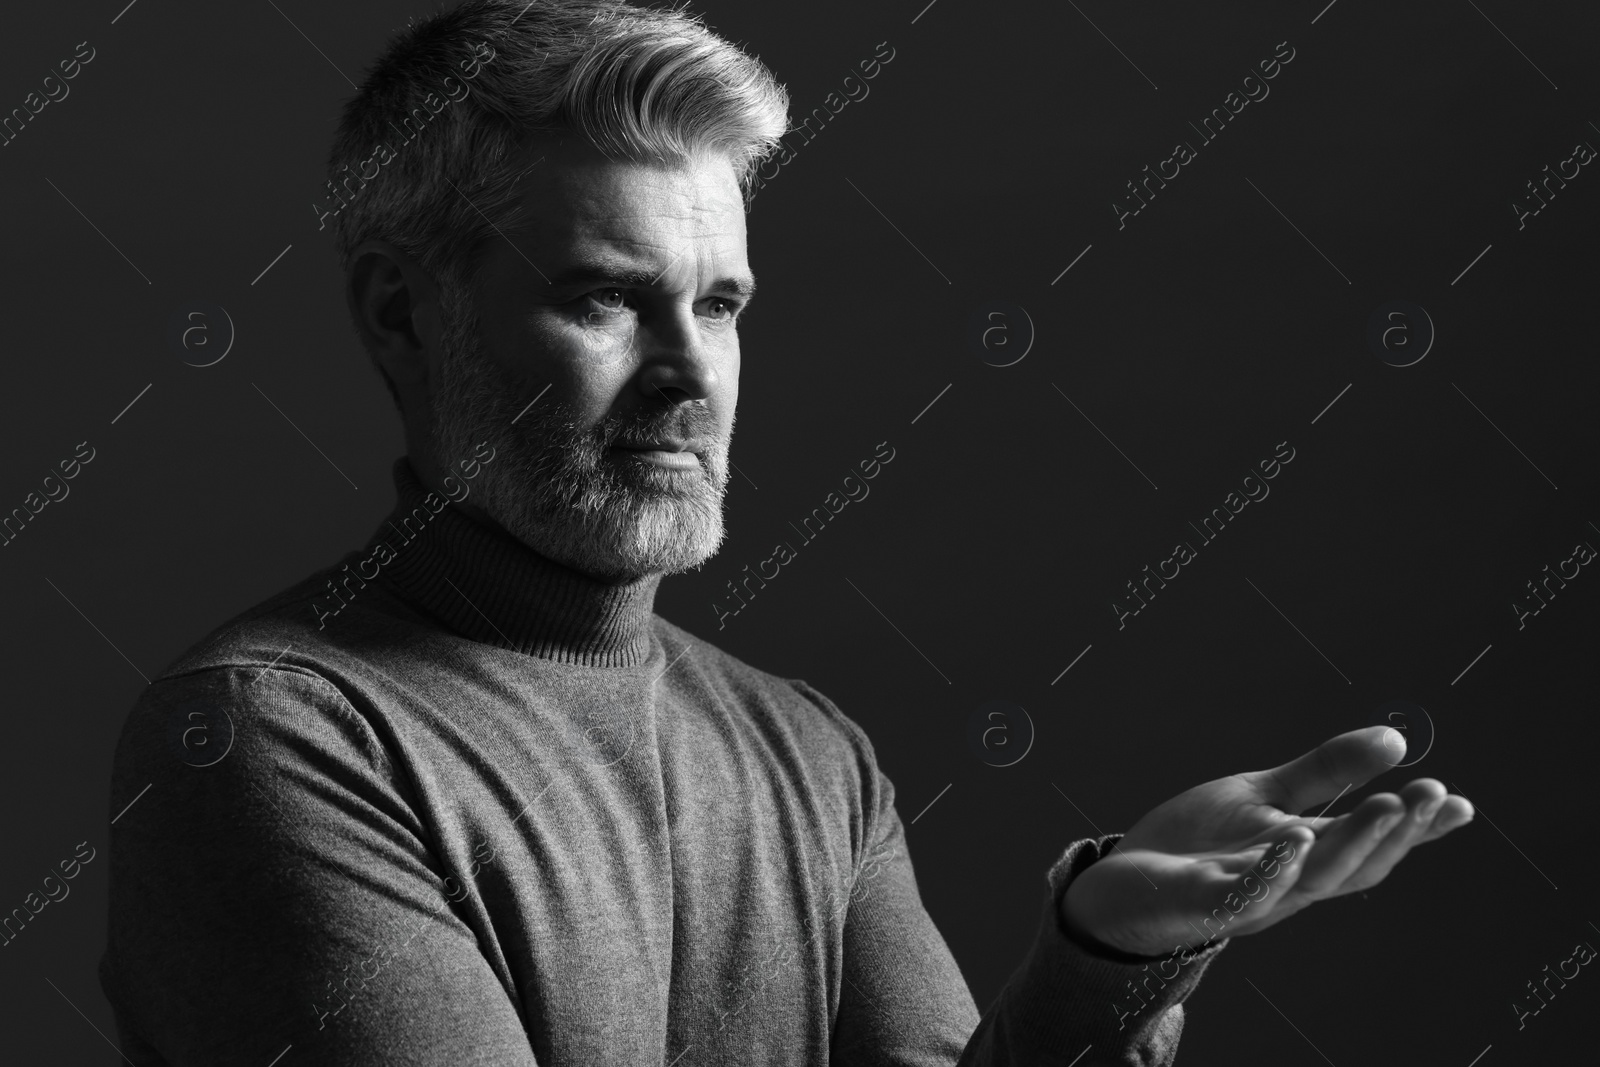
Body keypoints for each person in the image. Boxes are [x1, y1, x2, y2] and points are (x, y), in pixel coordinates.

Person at [98, 2, 1474, 1063]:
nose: (688, 373)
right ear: (402, 314)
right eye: (605, 299)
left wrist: (1105, 958)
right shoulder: (270, 737)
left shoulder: (808, 753)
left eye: (720, 304)